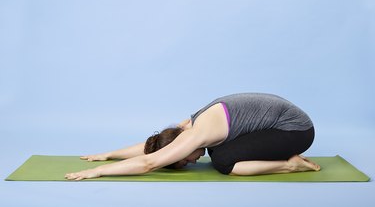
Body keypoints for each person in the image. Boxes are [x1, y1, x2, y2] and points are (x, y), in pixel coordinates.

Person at [65, 93, 320, 181]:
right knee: (218, 153)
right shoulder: (188, 124)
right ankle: (287, 160)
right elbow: (153, 150)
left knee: (223, 163)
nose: (191, 162)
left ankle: (290, 165)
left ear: (181, 144)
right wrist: (111, 154)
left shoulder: (198, 134)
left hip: (296, 131)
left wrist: (99, 171)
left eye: (183, 160)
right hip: (283, 123)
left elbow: (149, 163)